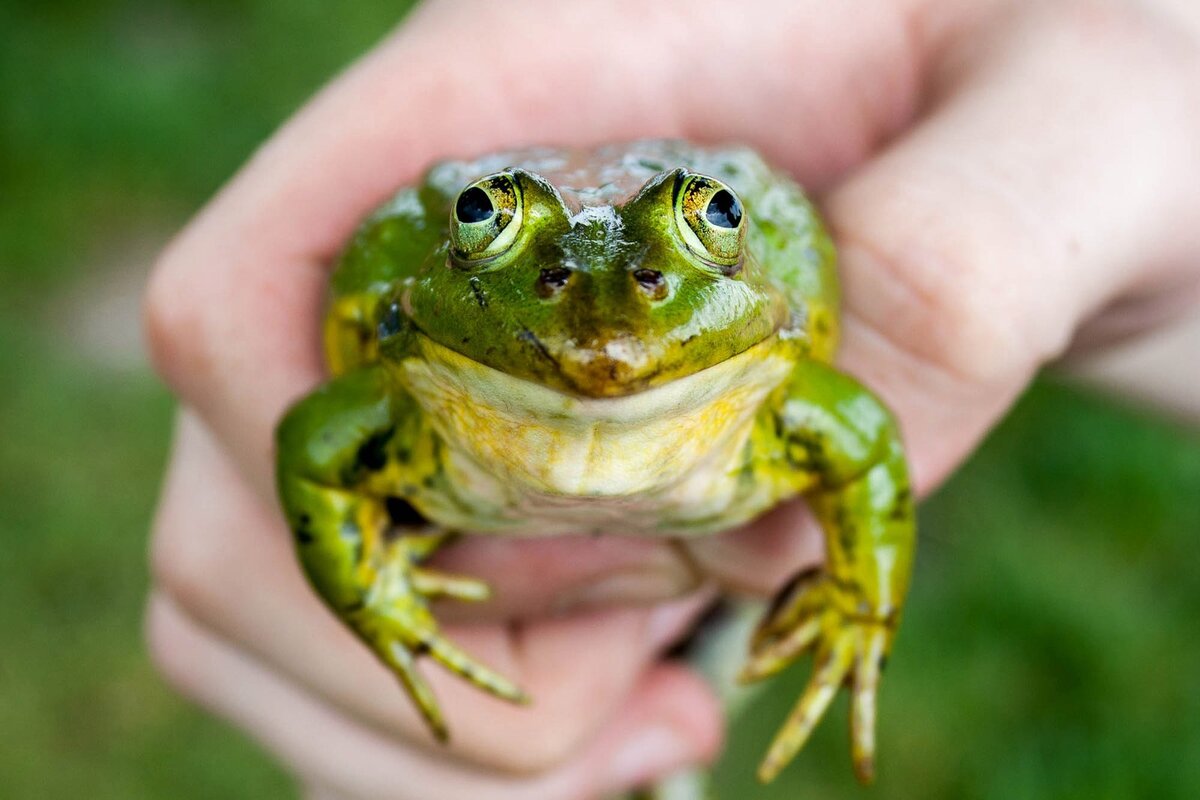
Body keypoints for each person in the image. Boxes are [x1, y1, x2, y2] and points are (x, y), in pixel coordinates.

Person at [142, 1, 1200, 797]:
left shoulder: (786, 396)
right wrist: (374, 597)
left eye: (703, 226)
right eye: (485, 221)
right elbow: (315, 445)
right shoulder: (400, 402)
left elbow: (871, 441)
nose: (608, 323)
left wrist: (856, 598)